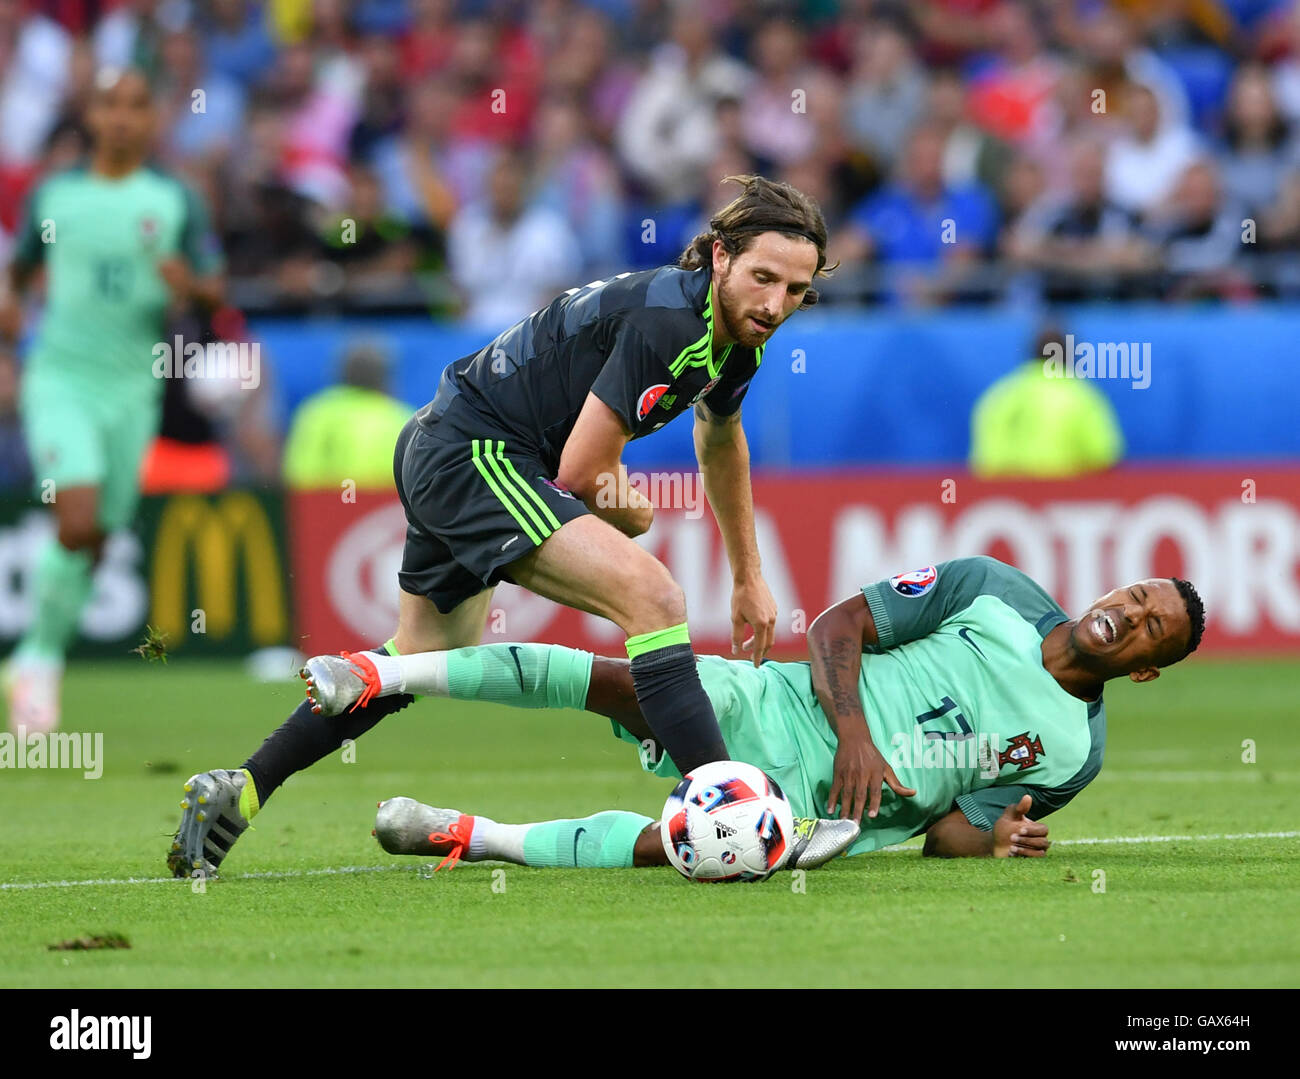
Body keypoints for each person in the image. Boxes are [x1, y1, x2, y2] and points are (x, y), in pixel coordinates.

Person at [169, 174, 836, 879]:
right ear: (720, 255)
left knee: (420, 658)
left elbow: (722, 438)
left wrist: (750, 576)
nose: (775, 305)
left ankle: (241, 787)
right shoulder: (671, 320)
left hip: (451, 445)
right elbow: (583, 471)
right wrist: (632, 507)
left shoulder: (734, 339)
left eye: (795, 291)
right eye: (763, 278)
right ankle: (741, 811)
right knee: (655, 598)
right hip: (475, 453)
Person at [297, 555, 1204, 870]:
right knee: (626, 680)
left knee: (684, 848)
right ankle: (386, 671)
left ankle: (471, 836)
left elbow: (951, 838)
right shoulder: (996, 592)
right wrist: (853, 729)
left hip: (825, 820)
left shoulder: (1074, 754)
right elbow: (840, 625)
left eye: (1151, 626)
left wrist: (999, 840)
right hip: (783, 701)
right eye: (1138, 593)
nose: (1129, 612)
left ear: (1149, 669)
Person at [1, 67, 224, 733]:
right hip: (60, 377)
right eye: (109, 106)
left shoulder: (176, 199)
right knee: (76, 518)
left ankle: (41, 651)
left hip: (134, 387)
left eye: (135, 105)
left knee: (96, 537)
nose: (122, 118)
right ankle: (38, 659)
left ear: (152, 117)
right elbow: (17, 279)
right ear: (92, 116)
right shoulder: (53, 196)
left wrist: (193, 286)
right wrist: (11, 330)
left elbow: (216, 289)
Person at [969, 328, 1125, 479]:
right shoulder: (1082, 397)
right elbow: (1103, 455)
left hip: (1003, 498)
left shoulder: (1000, 396)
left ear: (1032, 353)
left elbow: (984, 462)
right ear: (1070, 355)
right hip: (1062, 498)